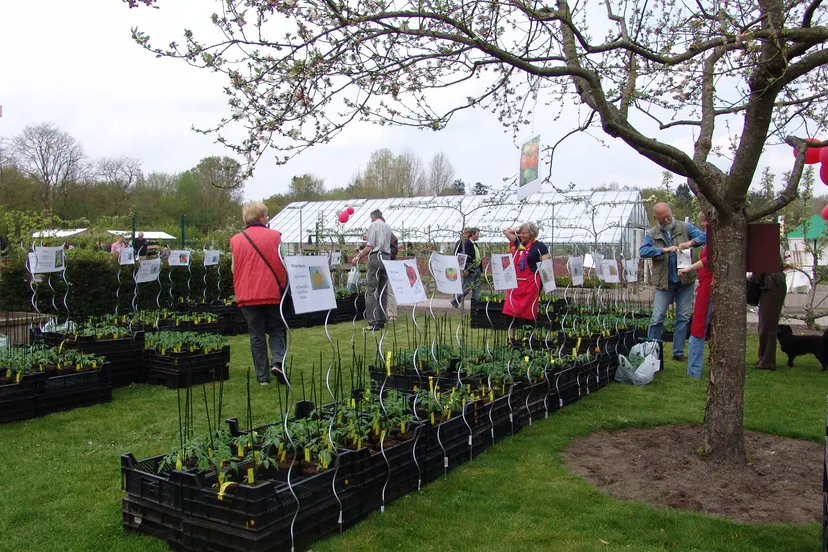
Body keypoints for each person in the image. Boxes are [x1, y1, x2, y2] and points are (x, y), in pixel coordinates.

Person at [229, 201, 288, 385]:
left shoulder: (236, 240)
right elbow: (283, 263)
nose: (267, 218)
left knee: (256, 335)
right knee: (277, 329)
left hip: (247, 295)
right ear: (261, 217)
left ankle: (262, 377)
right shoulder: (275, 237)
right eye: (267, 215)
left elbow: (233, 268)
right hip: (271, 292)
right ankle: (278, 361)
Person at [639, 202, 706, 362]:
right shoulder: (652, 233)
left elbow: (704, 236)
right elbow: (643, 251)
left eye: (668, 216)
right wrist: (663, 250)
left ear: (671, 212)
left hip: (685, 281)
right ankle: (651, 350)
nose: (666, 220)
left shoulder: (685, 227)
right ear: (656, 218)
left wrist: (690, 243)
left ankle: (678, 352)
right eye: (662, 218)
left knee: (682, 317)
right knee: (657, 317)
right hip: (664, 283)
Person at [503, 222, 549, 343]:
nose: (521, 235)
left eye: (525, 233)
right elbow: (506, 231)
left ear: (532, 233)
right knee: (510, 310)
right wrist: (519, 230)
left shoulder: (540, 247)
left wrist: (546, 284)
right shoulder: (519, 242)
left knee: (529, 311)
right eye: (521, 233)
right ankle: (511, 339)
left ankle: (528, 337)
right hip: (515, 284)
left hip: (530, 284)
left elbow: (546, 267)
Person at [677, 212, 711, 378]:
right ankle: (694, 369)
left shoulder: (718, 239)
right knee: (699, 324)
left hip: (709, 287)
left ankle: (694, 370)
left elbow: (708, 259)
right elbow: (700, 238)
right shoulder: (710, 237)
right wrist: (689, 243)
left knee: (698, 326)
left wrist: (688, 268)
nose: (704, 225)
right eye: (703, 222)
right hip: (705, 285)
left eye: (706, 222)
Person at [352, 209, 393, 330]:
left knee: (371, 290)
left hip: (376, 257)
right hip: (387, 257)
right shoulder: (387, 226)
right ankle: (381, 319)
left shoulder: (373, 225)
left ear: (373, 217)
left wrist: (358, 257)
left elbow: (370, 246)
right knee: (383, 290)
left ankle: (372, 321)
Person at [751, 248, 788, 370]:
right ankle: (763, 357)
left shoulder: (766, 243)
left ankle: (767, 361)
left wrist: (754, 281)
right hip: (770, 283)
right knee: (765, 323)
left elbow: (761, 266)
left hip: (772, 284)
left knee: (768, 324)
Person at [450, 227, 482, 308]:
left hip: (476, 268)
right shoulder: (464, 243)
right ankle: (455, 301)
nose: (466, 234)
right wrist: (466, 268)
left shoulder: (474, 244)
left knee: (477, 286)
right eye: (466, 233)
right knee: (466, 287)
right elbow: (461, 256)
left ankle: (476, 303)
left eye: (468, 233)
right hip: (469, 269)